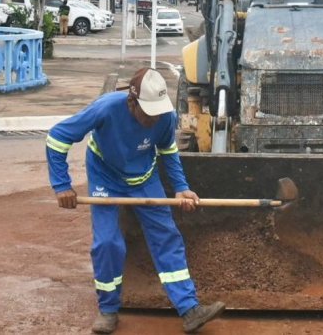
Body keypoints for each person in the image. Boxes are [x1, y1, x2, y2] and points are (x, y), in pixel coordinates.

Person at [45, 68, 225, 334]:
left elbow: (168, 151)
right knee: (107, 243)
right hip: (105, 175)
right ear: (132, 102)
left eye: (158, 111)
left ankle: (189, 309)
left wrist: (181, 188)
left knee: (166, 235)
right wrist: (62, 185)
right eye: (148, 112)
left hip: (144, 176)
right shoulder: (105, 108)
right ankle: (108, 310)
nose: (154, 118)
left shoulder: (165, 116)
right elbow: (57, 138)